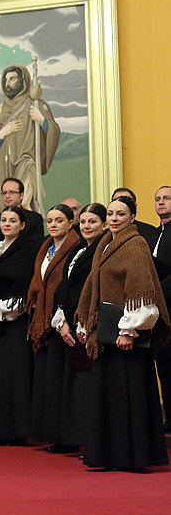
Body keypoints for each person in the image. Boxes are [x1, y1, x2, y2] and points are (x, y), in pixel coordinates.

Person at [76, 196, 170, 471]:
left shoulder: (136, 245)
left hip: (127, 338)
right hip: (107, 336)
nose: (114, 218)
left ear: (132, 218)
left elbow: (143, 294)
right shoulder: (104, 245)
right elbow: (94, 288)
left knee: (130, 397)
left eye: (121, 214)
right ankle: (109, 455)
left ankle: (133, 457)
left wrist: (129, 330)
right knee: (108, 398)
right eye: (111, 214)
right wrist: (87, 325)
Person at [0, 206, 41, 446]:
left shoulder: (29, 250)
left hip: (13, 320)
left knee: (16, 376)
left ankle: (18, 431)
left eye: (13, 220)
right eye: (4, 220)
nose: (7, 224)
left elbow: (24, 287)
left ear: (22, 225)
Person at [51, 203, 108, 450]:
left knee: (91, 387)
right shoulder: (76, 251)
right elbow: (64, 287)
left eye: (92, 221)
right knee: (74, 385)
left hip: (91, 326)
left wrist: (85, 322)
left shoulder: (105, 250)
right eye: (83, 221)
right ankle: (74, 438)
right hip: (70, 325)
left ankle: (92, 441)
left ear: (104, 225)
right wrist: (61, 321)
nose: (86, 226)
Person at [26, 204, 80, 451]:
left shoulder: (76, 248)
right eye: (50, 220)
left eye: (59, 220)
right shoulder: (45, 248)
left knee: (62, 381)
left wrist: (60, 316)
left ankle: (67, 438)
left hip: (63, 321)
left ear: (71, 222)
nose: (53, 225)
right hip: (43, 322)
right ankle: (52, 434)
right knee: (48, 381)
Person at [0, 64, 60, 212]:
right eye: (6, 80)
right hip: (3, 168)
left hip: (27, 162)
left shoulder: (36, 105)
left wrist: (43, 121)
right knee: (5, 211)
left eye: (13, 79)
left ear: (23, 81)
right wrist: (2, 134)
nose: (7, 83)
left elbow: (53, 134)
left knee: (26, 206)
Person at [146, 186, 171, 432]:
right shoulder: (153, 234)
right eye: (157, 199)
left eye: (166, 198)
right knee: (162, 366)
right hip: (154, 312)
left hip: (168, 304)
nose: (161, 202)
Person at [0, 177, 44, 248]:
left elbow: (37, 247)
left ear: (21, 195)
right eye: (4, 193)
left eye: (12, 192)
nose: (7, 196)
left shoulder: (34, 219)